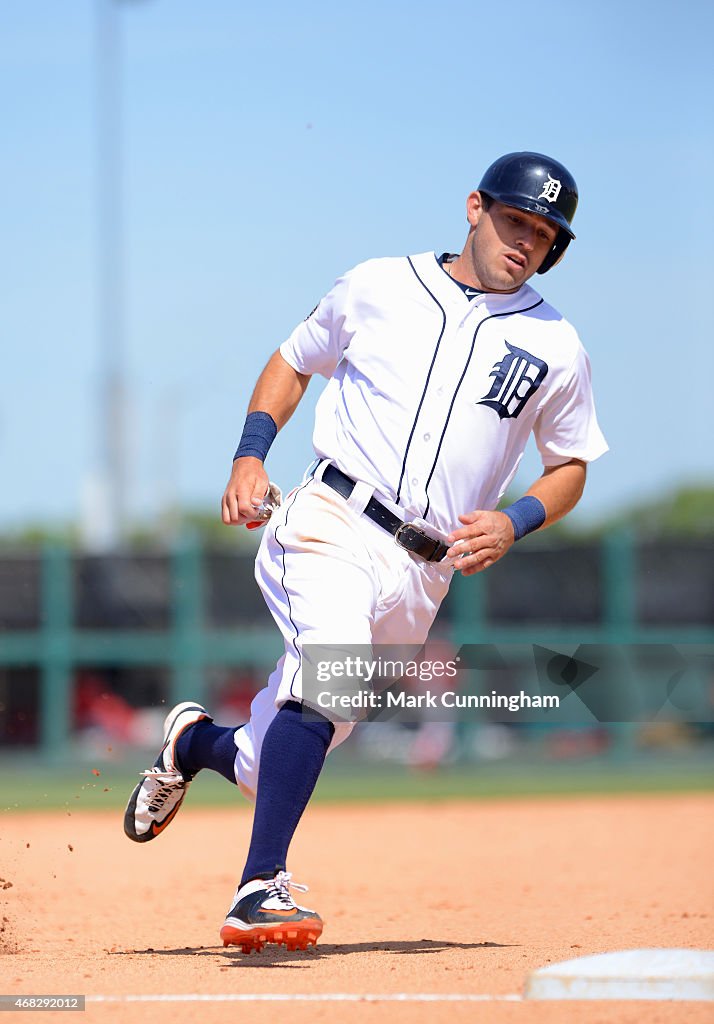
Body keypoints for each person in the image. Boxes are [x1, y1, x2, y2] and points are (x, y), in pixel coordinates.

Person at [124, 151, 608, 953]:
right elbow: (293, 360)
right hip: (333, 521)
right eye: (516, 220)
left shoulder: (557, 345)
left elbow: (571, 467)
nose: (527, 241)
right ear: (475, 207)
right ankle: (259, 889)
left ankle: (192, 742)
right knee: (330, 679)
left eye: (546, 234)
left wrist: (517, 519)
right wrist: (250, 454)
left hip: (425, 571)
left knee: (270, 752)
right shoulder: (379, 284)